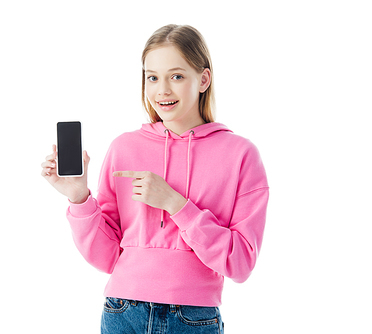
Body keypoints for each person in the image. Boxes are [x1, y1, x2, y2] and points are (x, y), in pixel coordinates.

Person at [41, 24, 269, 334]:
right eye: (152, 77)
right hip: (122, 311)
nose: (162, 90)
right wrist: (80, 198)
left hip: (193, 318)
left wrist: (176, 204)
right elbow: (107, 257)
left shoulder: (240, 154)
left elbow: (241, 263)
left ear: (203, 79)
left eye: (176, 76)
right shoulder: (125, 147)